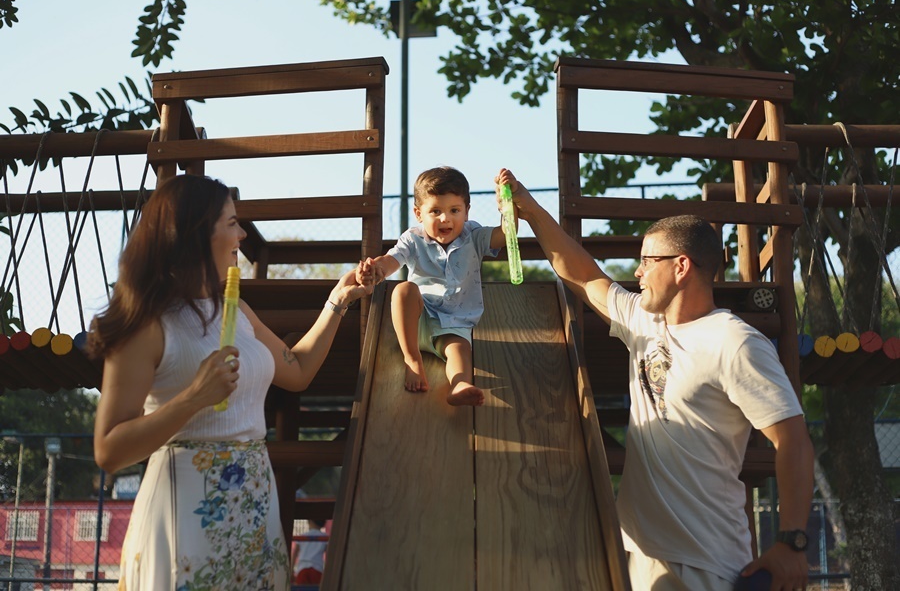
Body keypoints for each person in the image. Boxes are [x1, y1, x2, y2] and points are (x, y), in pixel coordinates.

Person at [495, 168, 815, 591]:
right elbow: (584, 275)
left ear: (682, 266)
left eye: (648, 260)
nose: (638, 271)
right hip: (642, 554)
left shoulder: (735, 342)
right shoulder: (643, 322)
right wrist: (531, 209)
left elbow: (792, 438)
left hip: (704, 563)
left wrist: (792, 542)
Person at [89, 174, 372, 590]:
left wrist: (338, 300)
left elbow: (297, 370)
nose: (241, 233)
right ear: (197, 233)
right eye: (233, 222)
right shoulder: (145, 324)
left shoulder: (236, 310)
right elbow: (108, 450)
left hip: (254, 513)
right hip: (183, 521)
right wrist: (193, 398)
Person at [356, 166, 508, 406]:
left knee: (459, 351)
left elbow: (506, 235)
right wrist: (376, 270)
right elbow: (391, 260)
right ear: (419, 213)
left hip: (453, 325)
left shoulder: (474, 236)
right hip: (417, 320)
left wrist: (505, 206)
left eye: (454, 210)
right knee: (403, 289)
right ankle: (412, 359)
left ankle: (458, 385)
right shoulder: (413, 238)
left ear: (467, 211)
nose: (445, 218)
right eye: (435, 211)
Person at [292, 519, 328, 586]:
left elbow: (295, 554)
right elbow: (329, 556)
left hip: (302, 568)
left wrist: (291, 571)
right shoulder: (325, 537)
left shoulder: (302, 536)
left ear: (310, 521)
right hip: (317, 569)